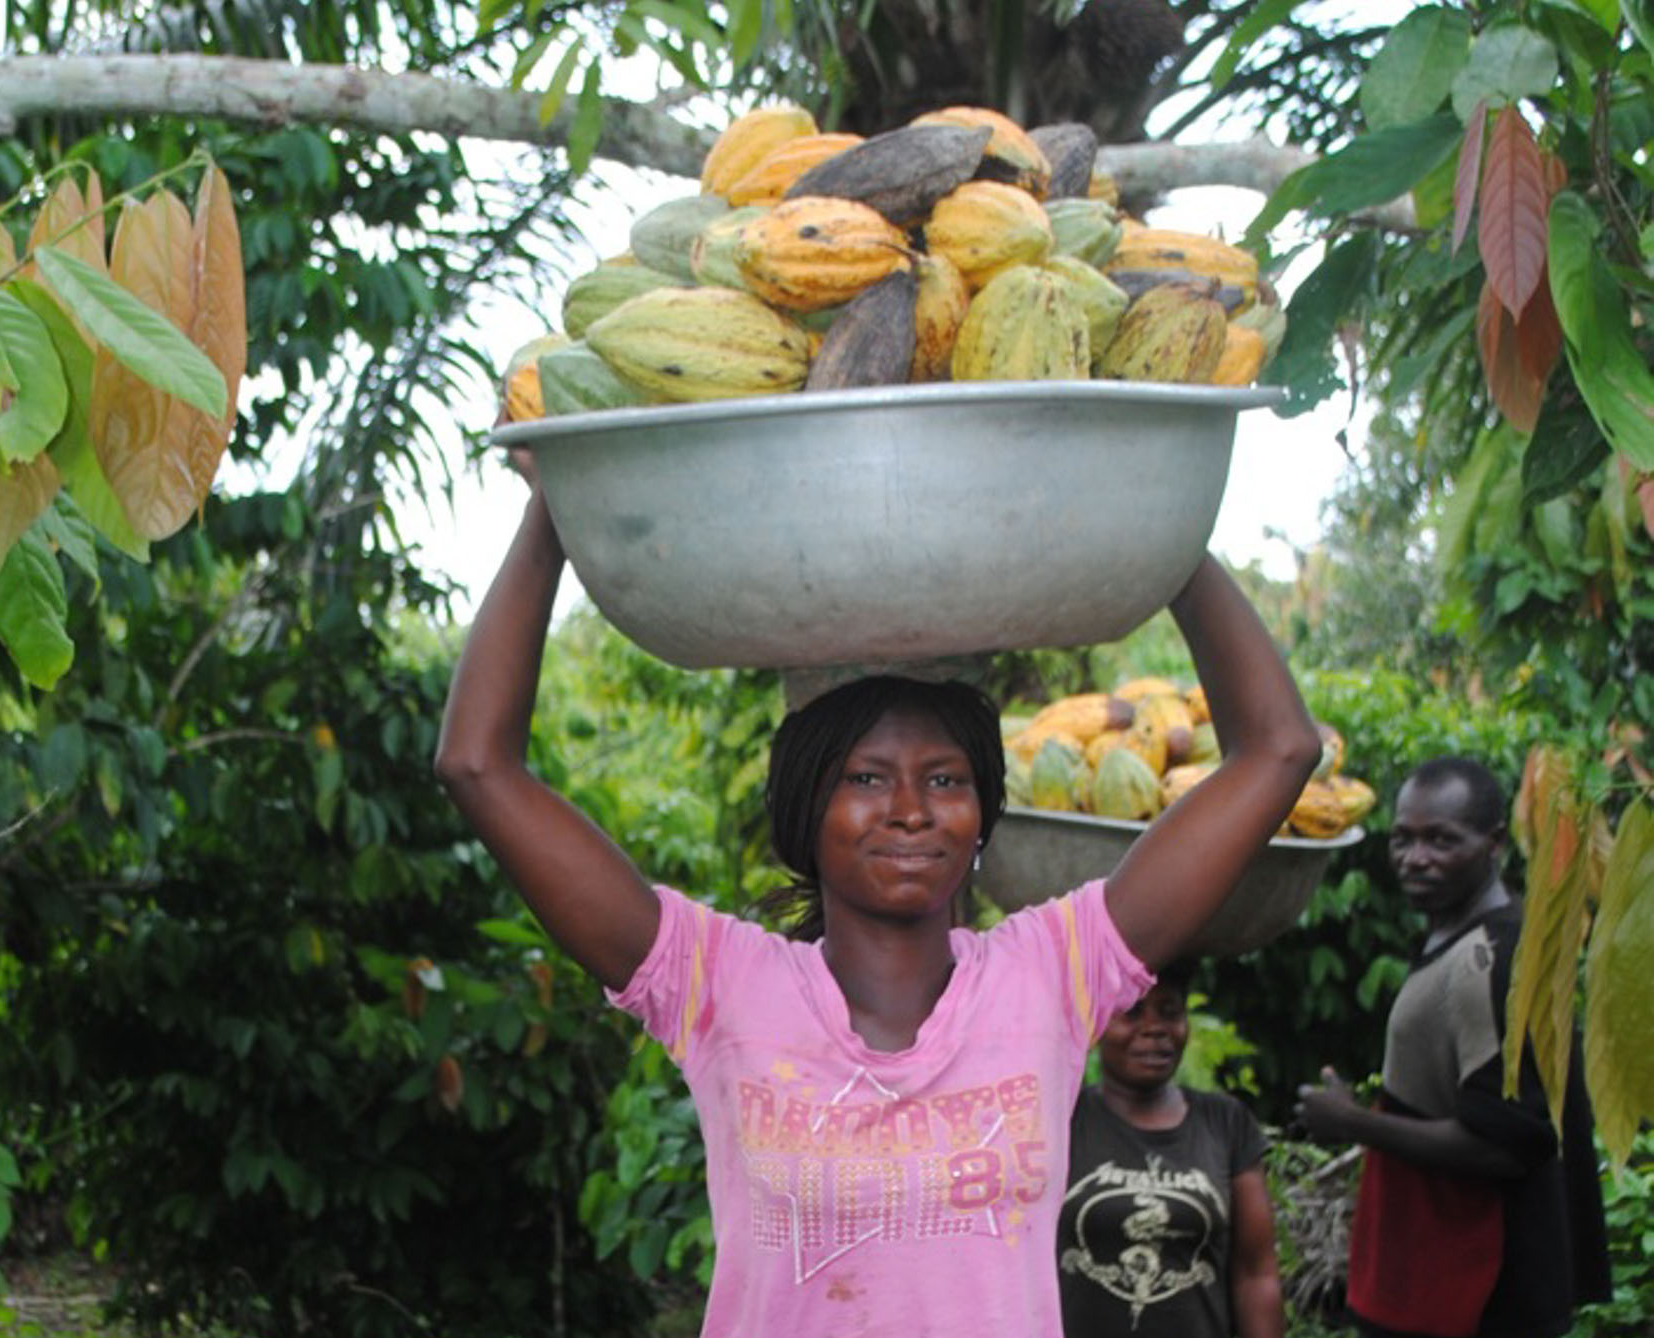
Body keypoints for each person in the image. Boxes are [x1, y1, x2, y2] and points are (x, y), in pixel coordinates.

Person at [435, 453, 1320, 1337]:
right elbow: (477, 765)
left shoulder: (1053, 973)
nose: (908, 810)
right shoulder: (718, 984)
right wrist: (552, 511)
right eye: (865, 777)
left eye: (944, 780)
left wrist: (1164, 516)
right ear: (804, 812)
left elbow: (1278, 749)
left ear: (981, 816)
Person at [1294, 757, 1612, 1338]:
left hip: (1477, 1297)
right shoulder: (1457, 934)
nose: (1416, 857)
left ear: (1494, 844)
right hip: (1435, 1282)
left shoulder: (1491, 958)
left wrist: (1354, 1123)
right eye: (1404, 839)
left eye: (1442, 840)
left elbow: (1507, 1144)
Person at [1057, 961, 1285, 1338]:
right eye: (1132, 1013)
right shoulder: (1064, 1119)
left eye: (1170, 1013)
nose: (1155, 1029)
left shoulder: (1225, 1123)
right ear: (1097, 1023)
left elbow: (1255, 1273)